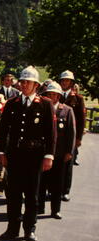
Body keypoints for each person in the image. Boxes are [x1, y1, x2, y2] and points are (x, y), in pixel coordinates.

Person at [0, 66, 56, 241]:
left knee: (32, 195)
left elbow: (51, 133)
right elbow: (3, 130)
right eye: (22, 82)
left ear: (36, 85)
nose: (24, 85)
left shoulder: (45, 104)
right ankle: (12, 229)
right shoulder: (12, 103)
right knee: (13, 194)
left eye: (28, 82)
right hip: (14, 155)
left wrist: (49, 156)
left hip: (34, 156)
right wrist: (1, 152)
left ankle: (29, 229)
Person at [37, 81, 76, 219]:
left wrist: (69, 152)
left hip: (59, 154)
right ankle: (39, 207)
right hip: (43, 153)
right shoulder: (40, 108)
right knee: (41, 183)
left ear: (59, 96)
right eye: (49, 94)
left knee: (57, 184)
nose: (52, 97)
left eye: (55, 94)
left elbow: (71, 133)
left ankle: (55, 210)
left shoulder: (67, 110)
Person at [59, 70, 86, 201]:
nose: (65, 83)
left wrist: (79, 138)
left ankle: (65, 190)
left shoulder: (78, 99)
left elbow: (81, 119)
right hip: (57, 136)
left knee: (68, 164)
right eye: (63, 80)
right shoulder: (56, 95)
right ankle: (53, 189)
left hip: (71, 136)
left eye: (67, 81)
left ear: (71, 83)